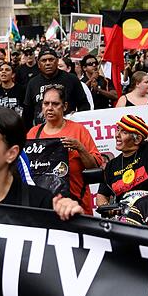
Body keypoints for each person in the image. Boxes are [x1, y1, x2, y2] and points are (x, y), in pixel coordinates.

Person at [96, 79, 148, 207]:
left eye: (124, 132)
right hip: (124, 219)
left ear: (138, 139)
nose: (117, 135)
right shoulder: (111, 166)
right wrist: (107, 208)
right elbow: (101, 196)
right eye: (117, 130)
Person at [26, 85, 103, 214]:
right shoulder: (33, 133)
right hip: (43, 207)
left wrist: (80, 148)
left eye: (55, 104)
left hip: (77, 204)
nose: (50, 108)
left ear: (65, 106)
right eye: (46, 103)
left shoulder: (78, 130)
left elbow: (94, 167)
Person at [21, 48, 90, 126]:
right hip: (42, 133)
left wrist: (77, 116)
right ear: (38, 64)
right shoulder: (32, 83)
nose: (48, 63)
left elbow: (84, 105)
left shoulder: (71, 79)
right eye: (44, 60)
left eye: (51, 60)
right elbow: (27, 113)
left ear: (57, 61)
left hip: (68, 130)